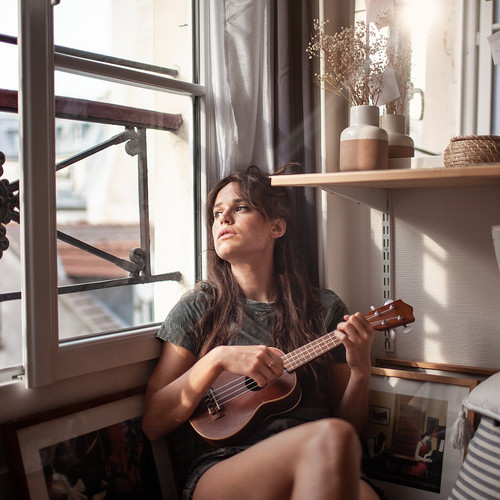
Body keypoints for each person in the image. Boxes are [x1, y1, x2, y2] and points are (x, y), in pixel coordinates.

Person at [142, 166, 383, 500]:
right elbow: (154, 421)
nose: (223, 219)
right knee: (331, 437)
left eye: (240, 208)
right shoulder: (199, 309)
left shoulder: (324, 308)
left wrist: (361, 370)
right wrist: (217, 359)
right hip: (225, 466)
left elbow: (352, 428)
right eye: (216, 213)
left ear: (276, 227)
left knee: (351, 468)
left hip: (318, 455)